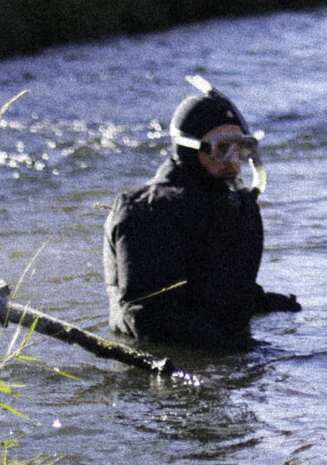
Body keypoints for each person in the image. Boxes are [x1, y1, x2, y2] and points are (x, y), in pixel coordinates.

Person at [103, 76, 301, 350]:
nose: (233, 162)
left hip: (220, 344)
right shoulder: (147, 212)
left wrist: (263, 303)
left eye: (241, 148)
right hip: (162, 361)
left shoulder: (231, 204)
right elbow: (145, 316)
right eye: (222, 148)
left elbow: (217, 284)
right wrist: (229, 349)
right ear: (189, 147)